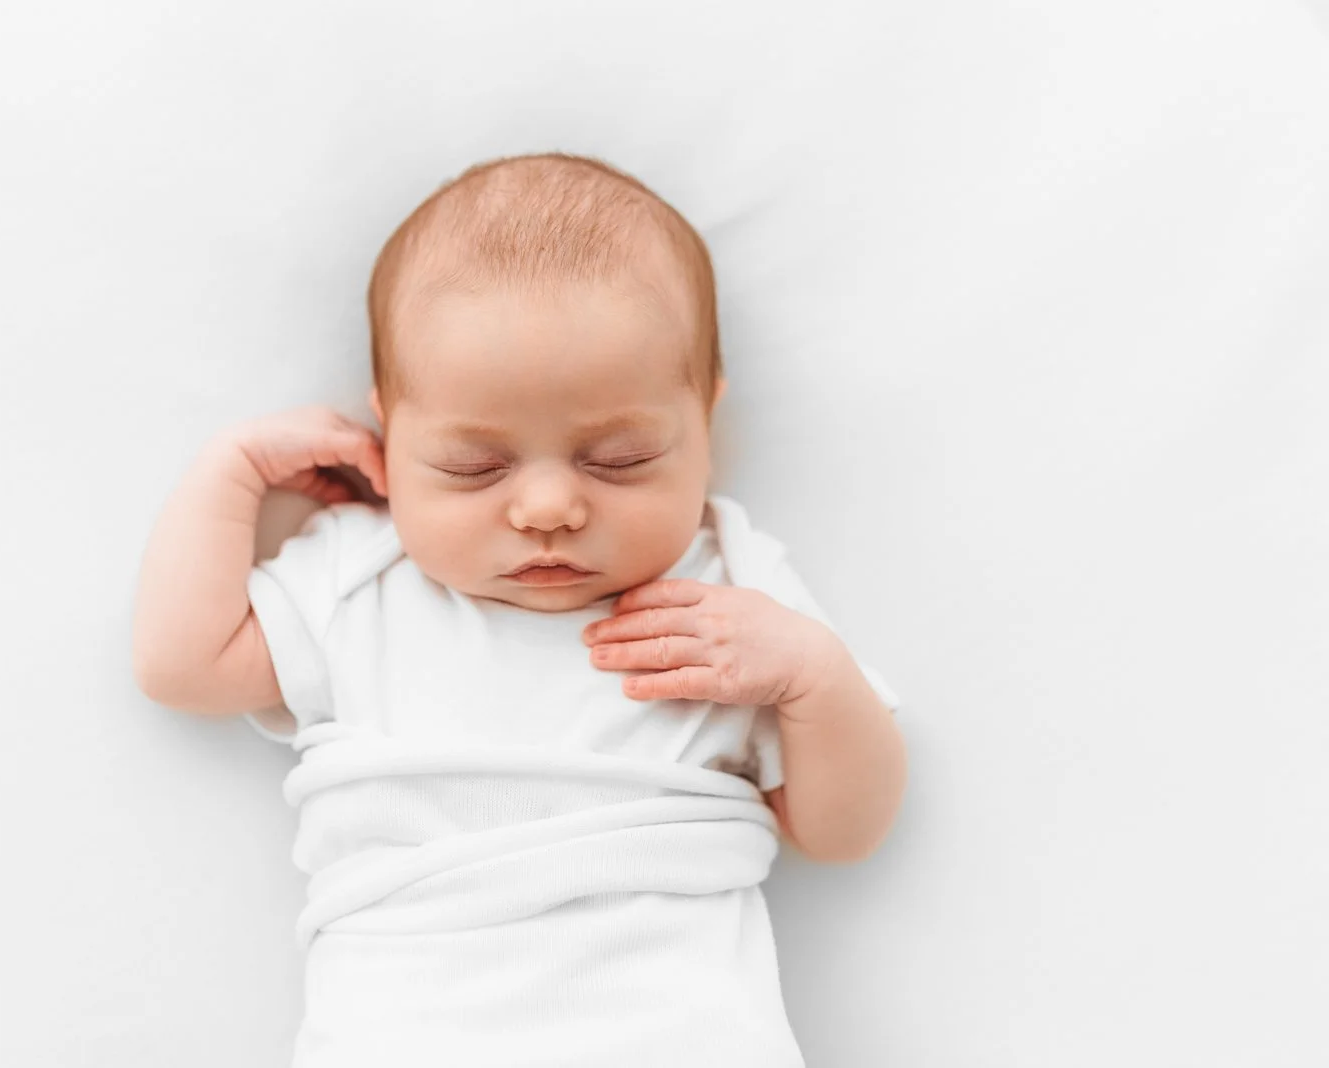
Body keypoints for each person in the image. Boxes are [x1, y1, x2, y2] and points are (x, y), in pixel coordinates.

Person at [131, 152, 908, 1066]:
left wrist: (816, 678)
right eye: (473, 467)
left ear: (704, 418)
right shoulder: (362, 576)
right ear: (389, 429)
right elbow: (183, 666)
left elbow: (843, 831)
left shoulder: (733, 592)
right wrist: (235, 473)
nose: (547, 510)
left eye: (618, 459)